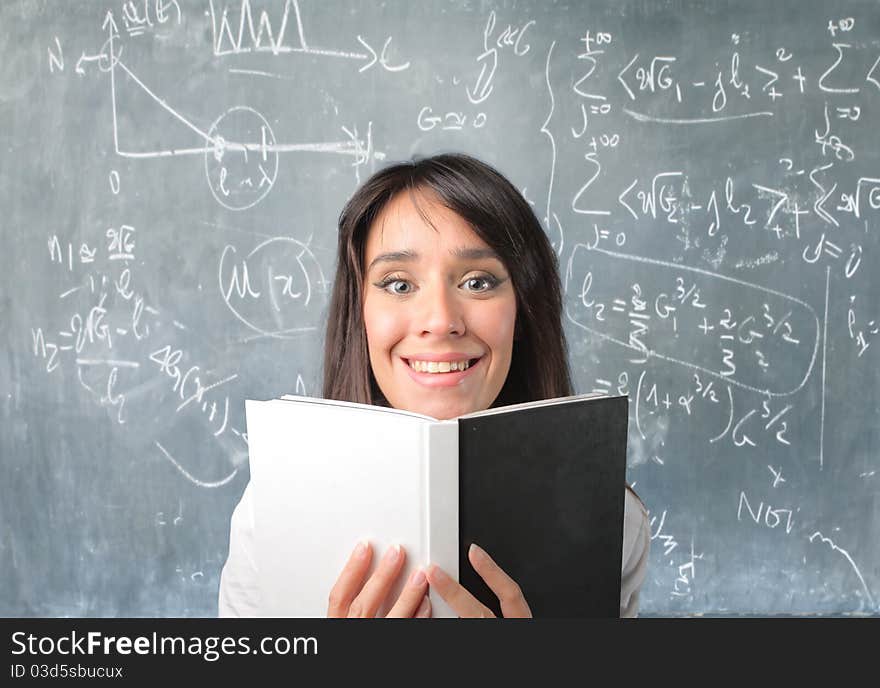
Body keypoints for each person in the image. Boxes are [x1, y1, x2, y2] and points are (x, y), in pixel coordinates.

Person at [219, 153, 650, 618]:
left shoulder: (611, 519)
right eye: (399, 285)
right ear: (360, 315)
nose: (441, 321)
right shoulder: (268, 514)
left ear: (521, 312)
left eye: (478, 281)